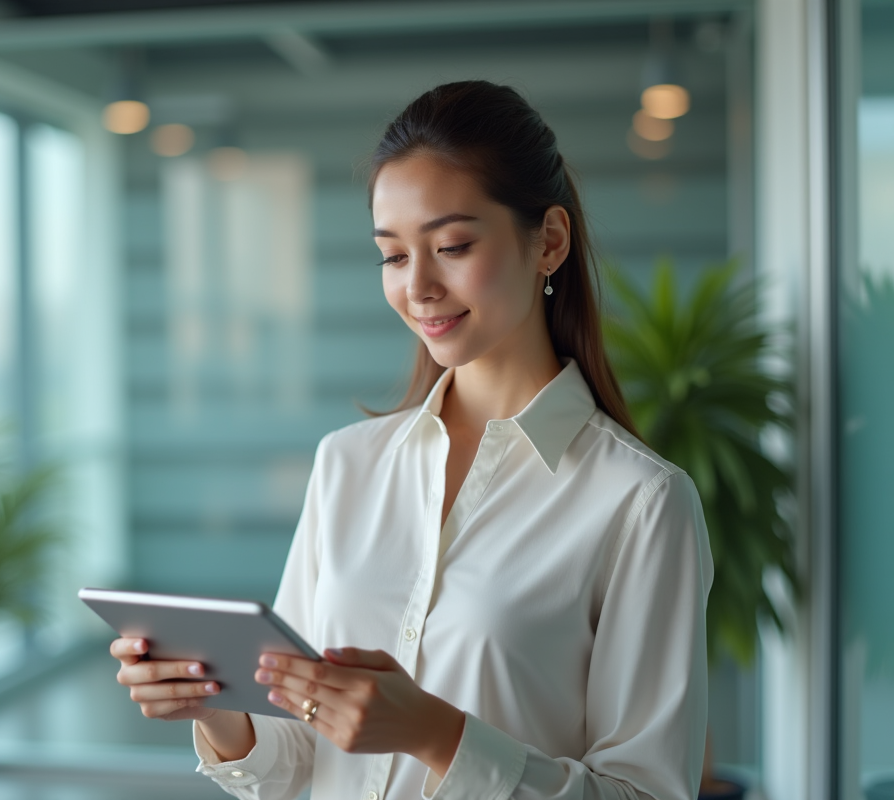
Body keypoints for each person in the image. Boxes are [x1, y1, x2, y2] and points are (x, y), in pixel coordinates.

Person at [110, 80, 713, 800]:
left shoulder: (641, 502)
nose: (419, 286)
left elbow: (643, 793)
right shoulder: (348, 464)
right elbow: (295, 757)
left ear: (548, 240)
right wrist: (215, 707)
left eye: (452, 245)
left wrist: (435, 734)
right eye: (393, 256)